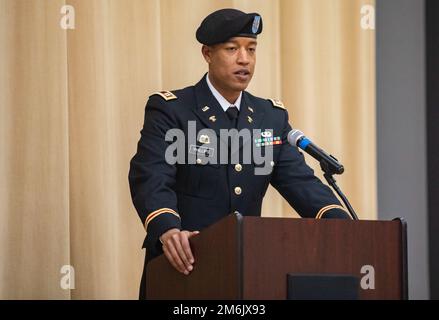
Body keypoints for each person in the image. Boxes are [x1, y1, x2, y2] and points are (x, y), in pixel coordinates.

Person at [129, 8, 351, 299]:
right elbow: (152, 178)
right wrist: (168, 229)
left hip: (245, 271)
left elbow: (301, 183)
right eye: (232, 49)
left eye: (251, 49)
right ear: (207, 54)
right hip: (184, 265)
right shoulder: (172, 110)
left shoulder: (269, 117)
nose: (244, 59)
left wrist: (343, 227)